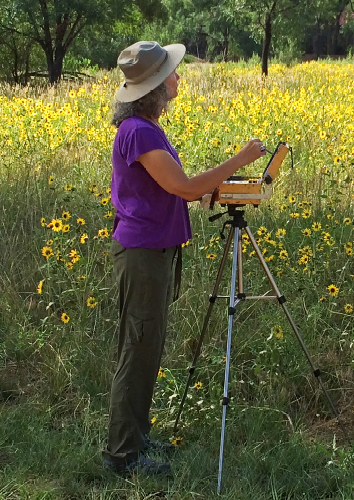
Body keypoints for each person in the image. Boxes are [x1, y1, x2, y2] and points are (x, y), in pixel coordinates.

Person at [102, 40, 266, 475]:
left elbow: (171, 188)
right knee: (137, 350)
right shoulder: (139, 131)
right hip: (142, 255)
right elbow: (184, 187)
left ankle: (134, 437)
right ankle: (123, 456)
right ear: (156, 86)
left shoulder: (148, 128)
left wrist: (205, 188)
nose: (178, 78)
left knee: (146, 346)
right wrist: (241, 159)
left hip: (153, 251)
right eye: (173, 73)